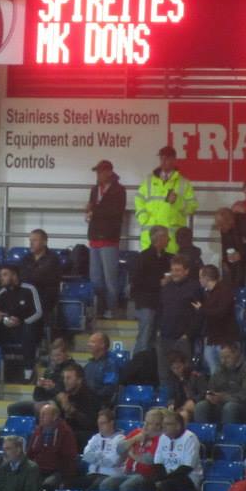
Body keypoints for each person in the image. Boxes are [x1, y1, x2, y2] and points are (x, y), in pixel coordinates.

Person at [135, 146, 198, 253]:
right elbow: (138, 199)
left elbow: (192, 206)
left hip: (172, 241)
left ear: (174, 160)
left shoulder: (184, 183)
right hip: (150, 238)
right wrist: (143, 218)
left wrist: (177, 202)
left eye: (167, 159)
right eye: (161, 158)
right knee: (149, 263)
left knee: (170, 264)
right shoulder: (149, 180)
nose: (163, 162)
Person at [87, 159, 127, 319]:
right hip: (94, 237)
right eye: (97, 172)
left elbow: (115, 212)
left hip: (109, 238)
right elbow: (93, 208)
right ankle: (99, 309)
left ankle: (112, 308)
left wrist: (94, 210)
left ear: (109, 172)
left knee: (110, 278)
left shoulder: (119, 190)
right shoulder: (94, 189)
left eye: (100, 172)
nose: (98, 175)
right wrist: (89, 212)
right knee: (95, 278)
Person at [157, 255, 202, 391]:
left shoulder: (195, 287)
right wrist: (159, 330)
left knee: (186, 373)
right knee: (164, 373)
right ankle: (167, 400)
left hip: (184, 339)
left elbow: (199, 314)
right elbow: (160, 310)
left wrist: (188, 335)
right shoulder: (166, 288)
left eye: (178, 270)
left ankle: (186, 399)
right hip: (165, 336)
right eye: (173, 270)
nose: (174, 273)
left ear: (186, 271)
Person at [0, 264, 43, 382]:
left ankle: (28, 371)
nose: (1, 278)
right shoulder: (0, 294)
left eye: (5, 275)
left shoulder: (29, 289)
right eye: (0, 275)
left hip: (27, 327)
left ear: (14, 275)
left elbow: (39, 312)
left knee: (28, 330)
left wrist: (22, 322)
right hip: (7, 329)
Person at [99, 408, 163, 491]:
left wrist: (131, 454)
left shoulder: (161, 439)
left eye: (149, 423)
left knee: (126, 486)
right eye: (145, 422)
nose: (145, 426)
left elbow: (149, 460)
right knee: (106, 484)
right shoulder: (137, 432)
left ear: (158, 426)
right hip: (128, 473)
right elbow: (119, 449)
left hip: (146, 476)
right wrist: (134, 439)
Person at [8, 338, 78, 417]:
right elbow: (37, 398)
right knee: (13, 408)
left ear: (66, 353)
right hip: (45, 402)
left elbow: (69, 392)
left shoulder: (72, 369)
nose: (55, 358)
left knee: (16, 408)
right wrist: (39, 386)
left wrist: (53, 387)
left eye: (58, 355)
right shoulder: (50, 370)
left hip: (59, 404)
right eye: (53, 356)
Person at [194, 342, 246, 425]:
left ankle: (230, 432)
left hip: (244, 408)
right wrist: (210, 396)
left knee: (229, 407)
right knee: (201, 406)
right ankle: (203, 432)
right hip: (220, 405)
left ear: (236, 354)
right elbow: (211, 388)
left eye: (227, 357)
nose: (223, 361)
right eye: (221, 358)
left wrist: (224, 398)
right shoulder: (219, 371)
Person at [130, 225, 171, 354]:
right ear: (159, 238)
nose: (169, 239)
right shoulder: (143, 257)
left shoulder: (168, 257)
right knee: (145, 336)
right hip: (146, 302)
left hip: (160, 302)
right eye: (166, 236)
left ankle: (148, 362)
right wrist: (159, 283)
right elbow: (136, 281)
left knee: (153, 338)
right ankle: (138, 361)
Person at [193, 264, 239, 376]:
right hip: (212, 339)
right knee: (214, 371)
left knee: (226, 372)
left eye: (200, 277)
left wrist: (202, 309)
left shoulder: (224, 292)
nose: (199, 280)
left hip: (224, 340)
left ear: (206, 278)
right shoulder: (210, 294)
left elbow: (221, 312)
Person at [26, 403, 78, 491]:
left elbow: (69, 458)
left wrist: (65, 476)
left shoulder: (65, 432)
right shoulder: (38, 431)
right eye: (40, 414)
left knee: (47, 485)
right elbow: (30, 452)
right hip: (38, 469)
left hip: (57, 472)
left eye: (44, 414)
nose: (40, 417)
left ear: (55, 417)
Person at [153, 409, 202, 491]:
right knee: (145, 483)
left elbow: (187, 467)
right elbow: (158, 463)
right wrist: (161, 478)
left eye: (168, 424)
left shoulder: (190, 438)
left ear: (178, 426)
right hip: (167, 476)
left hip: (188, 477)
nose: (164, 427)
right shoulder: (163, 437)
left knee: (165, 486)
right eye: (163, 424)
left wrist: (165, 479)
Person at [19, 229, 62, 329]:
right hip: (27, 296)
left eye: (34, 240)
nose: (31, 243)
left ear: (44, 242)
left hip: (44, 297)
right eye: (30, 240)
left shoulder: (52, 259)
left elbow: (39, 278)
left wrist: (29, 277)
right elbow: (22, 277)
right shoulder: (26, 258)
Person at [79, 408, 125, 491]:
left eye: (103, 423)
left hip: (109, 475)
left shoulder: (120, 439)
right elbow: (86, 455)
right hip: (92, 474)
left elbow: (112, 461)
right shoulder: (95, 438)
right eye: (98, 423)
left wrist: (95, 458)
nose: (100, 426)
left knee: (91, 489)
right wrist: (102, 458)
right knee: (70, 484)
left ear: (111, 423)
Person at [55, 364, 100, 448]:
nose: (65, 381)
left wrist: (71, 410)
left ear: (79, 380)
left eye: (68, 378)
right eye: (64, 378)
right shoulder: (65, 395)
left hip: (85, 435)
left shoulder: (89, 396)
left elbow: (91, 424)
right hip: (68, 432)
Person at [167, 352, 206, 424]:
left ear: (185, 364)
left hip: (195, 405)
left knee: (183, 415)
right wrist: (171, 404)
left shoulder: (196, 376)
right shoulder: (173, 380)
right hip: (181, 406)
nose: (176, 371)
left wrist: (194, 400)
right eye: (174, 368)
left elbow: (204, 393)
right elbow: (172, 395)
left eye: (179, 367)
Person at [83, 331, 119, 406]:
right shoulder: (88, 365)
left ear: (102, 345)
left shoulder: (110, 365)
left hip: (100, 405)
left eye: (92, 342)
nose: (88, 344)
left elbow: (109, 388)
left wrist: (90, 397)